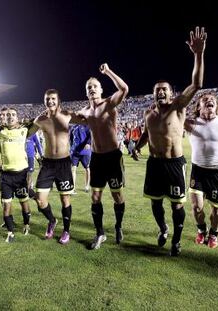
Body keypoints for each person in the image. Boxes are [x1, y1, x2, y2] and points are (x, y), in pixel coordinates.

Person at [133, 26, 207, 256]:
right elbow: (146, 134)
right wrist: (137, 146)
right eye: (157, 90)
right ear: (153, 94)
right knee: (155, 203)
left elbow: (196, 84)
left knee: (177, 204)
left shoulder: (178, 107)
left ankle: (176, 239)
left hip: (174, 163)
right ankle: (163, 229)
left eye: (164, 89)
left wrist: (198, 54)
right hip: (154, 164)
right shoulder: (148, 113)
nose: (160, 93)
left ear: (171, 93)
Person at [77, 63, 129, 249]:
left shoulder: (109, 103)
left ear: (101, 90)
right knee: (95, 197)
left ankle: (118, 225)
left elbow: (124, 89)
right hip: (97, 158)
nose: (91, 89)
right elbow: (67, 117)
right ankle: (100, 233)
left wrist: (107, 72)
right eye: (88, 87)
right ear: (86, 92)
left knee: (117, 196)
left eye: (94, 86)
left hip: (113, 157)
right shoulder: (84, 112)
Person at [31, 89, 86, 244]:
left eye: (53, 98)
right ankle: (52, 220)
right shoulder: (40, 119)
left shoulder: (67, 114)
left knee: (65, 198)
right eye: (47, 99)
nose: (50, 101)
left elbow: (87, 121)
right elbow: (26, 133)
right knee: (40, 200)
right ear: (44, 101)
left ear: (58, 100)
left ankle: (66, 231)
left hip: (63, 163)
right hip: (47, 164)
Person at [0, 85, 34, 242]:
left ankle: (26, 224)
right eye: (8, 114)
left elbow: (40, 122)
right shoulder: (0, 131)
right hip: (6, 176)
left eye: (13, 114)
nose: (10, 116)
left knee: (24, 203)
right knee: (6, 205)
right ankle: (10, 232)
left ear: (17, 118)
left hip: (22, 174)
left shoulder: (25, 130)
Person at [184, 93, 218, 248]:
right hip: (198, 171)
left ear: (216, 105)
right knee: (197, 207)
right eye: (205, 100)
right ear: (199, 107)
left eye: (213, 100)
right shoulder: (191, 123)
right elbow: (173, 116)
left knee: (216, 209)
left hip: (217, 172)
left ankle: (213, 235)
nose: (210, 101)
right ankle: (201, 231)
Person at [69, 124, 92, 194]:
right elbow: (71, 138)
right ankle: (73, 188)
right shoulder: (73, 127)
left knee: (87, 168)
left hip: (85, 152)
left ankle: (87, 186)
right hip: (75, 151)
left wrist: (88, 143)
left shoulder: (87, 126)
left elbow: (90, 135)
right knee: (73, 168)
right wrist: (71, 148)